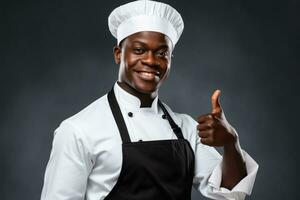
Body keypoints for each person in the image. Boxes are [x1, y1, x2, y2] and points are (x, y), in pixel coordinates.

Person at [41, 1, 258, 200]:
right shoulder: (78, 130)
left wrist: (231, 143)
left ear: (170, 60)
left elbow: (231, 194)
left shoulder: (187, 128)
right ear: (118, 54)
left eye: (162, 53)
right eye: (139, 50)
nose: (150, 61)